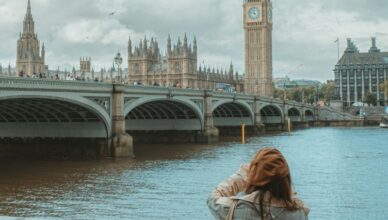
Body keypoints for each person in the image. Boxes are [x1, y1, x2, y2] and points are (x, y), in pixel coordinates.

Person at [207, 147, 309, 220]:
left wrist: (241, 176)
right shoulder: (299, 213)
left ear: (255, 175)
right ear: (286, 178)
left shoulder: (236, 208)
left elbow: (212, 199)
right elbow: (290, 200)